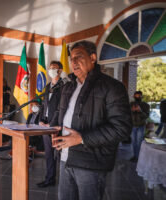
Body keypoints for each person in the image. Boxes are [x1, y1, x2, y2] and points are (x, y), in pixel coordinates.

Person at [50, 41, 132, 200]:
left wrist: (82, 138)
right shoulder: (68, 87)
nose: (73, 62)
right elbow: (62, 114)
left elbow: (121, 128)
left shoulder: (112, 87)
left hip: (91, 162)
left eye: (78, 56)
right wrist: (55, 129)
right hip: (65, 157)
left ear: (93, 57)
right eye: (71, 58)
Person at [37, 61, 64, 188]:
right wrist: (41, 119)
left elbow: (62, 108)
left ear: (60, 70)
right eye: (50, 68)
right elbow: (43, 104)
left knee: (58, 154)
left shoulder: (64, 86)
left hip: (57, 124)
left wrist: (52, 124)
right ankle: (50, 179)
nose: (51, 70)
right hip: (46, 123)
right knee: (48, 153)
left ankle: (65, 182)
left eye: (54, 68)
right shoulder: (48, 86)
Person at [130, 91, 149, 161]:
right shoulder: (131, 104)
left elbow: (146, 116)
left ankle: (139, 157)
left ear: (141, 97)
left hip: (141, 126)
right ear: (134, 96)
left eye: (139, 96)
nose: (137, 97)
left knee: (139, 142)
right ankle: (135, 156)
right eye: (136, 96)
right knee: (133, 142)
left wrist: (140, 111)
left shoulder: (145, 105)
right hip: (133, 126)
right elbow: (127, 115)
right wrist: (131, 111)